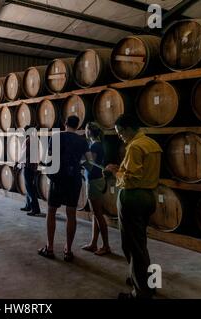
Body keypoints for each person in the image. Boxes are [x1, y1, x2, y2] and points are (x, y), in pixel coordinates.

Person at [104, 114, 162, 299]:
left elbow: (131, 178)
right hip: (148, 196)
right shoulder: (152, 144)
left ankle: (141, 292)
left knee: (131, 245)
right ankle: (145, 281)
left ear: (129, 129)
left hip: (133, 197)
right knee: (140, 243)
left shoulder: (135, 146)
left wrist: (115, 172)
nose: (120, 136)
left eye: (120, 132)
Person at [38, 116, 92, 261]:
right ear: (78, 125)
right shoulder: (82, 140)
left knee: (51, 211)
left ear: (65, 124)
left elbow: (49, 159)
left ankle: (49, 248)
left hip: (58, 178)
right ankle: (68, 250)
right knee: (71, 215)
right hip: (74, 179)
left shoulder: (56, 137)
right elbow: (89, 161)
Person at [82, 122, 111, 256]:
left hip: (93, 181)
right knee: (96, 214)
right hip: (97, 179)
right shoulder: (99, 144)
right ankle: (93, 243)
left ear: (89, 132)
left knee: (98, 215)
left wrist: (80, 161)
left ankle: (106, 246)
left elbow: (90, 166)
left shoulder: (94, 146)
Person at [14, 125, 41, 216]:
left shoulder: (29, 141)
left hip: (28, 166)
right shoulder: (34, 140)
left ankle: (35, 209)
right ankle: (28, 205)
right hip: (33, 166)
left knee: (29, 188)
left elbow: (24, 154)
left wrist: (17, 162)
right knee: (29, 186)